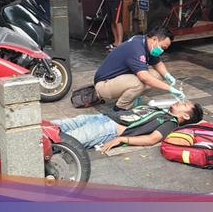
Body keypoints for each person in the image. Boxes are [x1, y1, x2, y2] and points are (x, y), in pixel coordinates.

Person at [52, 100, 204, 153]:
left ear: (185, 116)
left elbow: (152, 139)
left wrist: (122, 140)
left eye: (184, 105)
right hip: (102, 117)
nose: (179, 102)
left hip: (108, 129)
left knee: (63, 140)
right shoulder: (163, 112)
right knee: (57, 126)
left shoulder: (170, 123)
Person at [94, 27, 184, 111]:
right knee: (139, 83)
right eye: (163, 47)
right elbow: (144, 77)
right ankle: (121, 107)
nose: (162, 51)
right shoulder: (136, 48)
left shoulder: (146, 42)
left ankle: (132, 97)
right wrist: (169, 89)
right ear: (154, 39)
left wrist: (167, 75)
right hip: (104, 84)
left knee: (158, 75)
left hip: (119, 79)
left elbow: (157, 63)